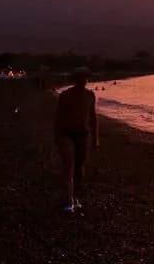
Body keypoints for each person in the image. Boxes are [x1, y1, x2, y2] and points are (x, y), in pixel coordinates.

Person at [54, 67, 99, 213]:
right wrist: (57, 136)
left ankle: (76, 197)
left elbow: (93, 118)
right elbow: (58, 117)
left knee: (79, 168)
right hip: (65, 133)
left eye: (85, 77)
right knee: (69, 166)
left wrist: (95, 138)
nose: (83, 80)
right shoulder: (65, 95)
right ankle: (68, 200)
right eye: (80, 77)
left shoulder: (90, 95)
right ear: (75, 79)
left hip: (83, 135)